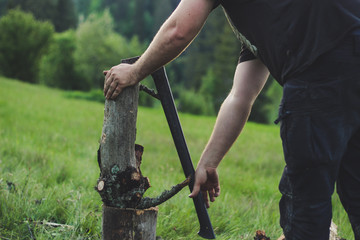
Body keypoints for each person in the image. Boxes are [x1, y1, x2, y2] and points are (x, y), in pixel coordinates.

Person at [103, 0, 360, 239]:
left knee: (307, 211)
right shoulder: (266, 15)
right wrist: (209, 161)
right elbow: (241, 96)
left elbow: (179, 30)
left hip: (321, 73)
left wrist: (136, 71)